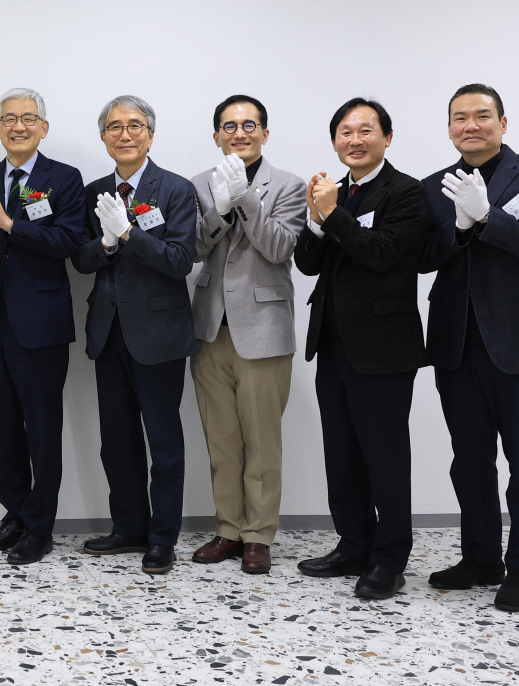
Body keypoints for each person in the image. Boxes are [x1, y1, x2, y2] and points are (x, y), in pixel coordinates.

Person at [419, 84, 519, 613]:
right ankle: (481, 558)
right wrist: (461, 229)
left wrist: (489, 219)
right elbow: (422, 257)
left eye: (482, 116)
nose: (471, 125)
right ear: (448, 129)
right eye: (460, 117)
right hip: (456, 343)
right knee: (469, 462)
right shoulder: (432, 187)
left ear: (503, 123)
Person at [293, 98, 431, 600]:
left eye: (366, 130)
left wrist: (331, 214)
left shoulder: (407, 193)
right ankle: (353, 543)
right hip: (331, 344)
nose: (355, 139)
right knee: (343, 454)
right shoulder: (336, 193)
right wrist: (315, 218)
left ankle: (390, 558)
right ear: (335, 141)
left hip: (383, 347)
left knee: (385, 456)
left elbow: (382, 255)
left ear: (387, 138)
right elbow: (308, 264)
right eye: (345, 132)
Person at [0, 88, 87, 566]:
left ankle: (39, 525)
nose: (18, 126)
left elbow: (69, 241)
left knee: (42, 426)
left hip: (42, 322)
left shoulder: (64, 179)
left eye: (28, 118)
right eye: (9, 119)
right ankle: (14, 513)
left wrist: (10, 224)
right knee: (1, 424)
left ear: (43, 128)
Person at [73, 95, 198, 575]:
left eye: (135, 125)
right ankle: (128, 526)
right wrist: (105, 242)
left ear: (150, 133)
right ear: (103, 136)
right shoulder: (94, 191)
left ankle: (162, 538)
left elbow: (180, 261)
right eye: (114, 127)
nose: (125, 134)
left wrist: (128, 234)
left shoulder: (176, 189)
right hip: (109, 331)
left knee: (163, 441)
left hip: (160, 333)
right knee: (116, 439)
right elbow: (80, 259)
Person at [187, 95, 307, 576]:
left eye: (249, 125)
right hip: (210, 326)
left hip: (263, 328)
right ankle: (228, 529)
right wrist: (218, 208)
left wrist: (247, 199)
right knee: (222, 438)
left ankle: (259, 535)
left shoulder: (290, 185)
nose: (240, 133)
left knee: (262, 441)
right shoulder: (198, 184)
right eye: (229, 126)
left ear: (265, 132)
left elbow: (280, 248)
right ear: (216, 135)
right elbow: (194, 248)